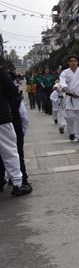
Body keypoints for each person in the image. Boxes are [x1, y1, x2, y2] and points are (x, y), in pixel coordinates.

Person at [0, 65, 31, 197]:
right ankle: (18, 184)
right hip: (2, 118)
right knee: (10, 151)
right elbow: (13, 94)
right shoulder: (1, 74)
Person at [59, 55, 79, 142]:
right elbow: (62, 81)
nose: (73, 63)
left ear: (77, 62)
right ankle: (72, 132)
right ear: (68, 62)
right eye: (71, 61)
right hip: (69, 98)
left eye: (75, 61)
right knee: (70, 117)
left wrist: (78, 93)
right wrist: (64, 87)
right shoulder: (65, 72)